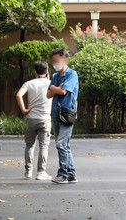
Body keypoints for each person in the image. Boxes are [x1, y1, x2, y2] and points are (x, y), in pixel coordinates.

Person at [16, 61, 53, 181]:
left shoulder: (29, 83)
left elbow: (18, 95)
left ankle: (28, 171)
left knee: (29, 145)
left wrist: (23, 110)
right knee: (43, 146)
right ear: (47, 71)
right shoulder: (51, 83)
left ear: (35, 71)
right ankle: (41, 172)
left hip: (31, 118)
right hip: (45, 118)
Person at [47, 48, 79, 184]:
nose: (54, 63)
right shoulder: (55, 76)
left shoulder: (72, 74)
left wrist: (54, 89)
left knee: (61, 144)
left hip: (67, 114)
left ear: (64, 59)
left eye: (57, 60)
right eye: (53, 60)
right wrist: (55, 89)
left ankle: (63, 174)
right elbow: (48, 94)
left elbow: (64, 91)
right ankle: (71, 174)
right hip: (55, 113)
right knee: (64, 145)